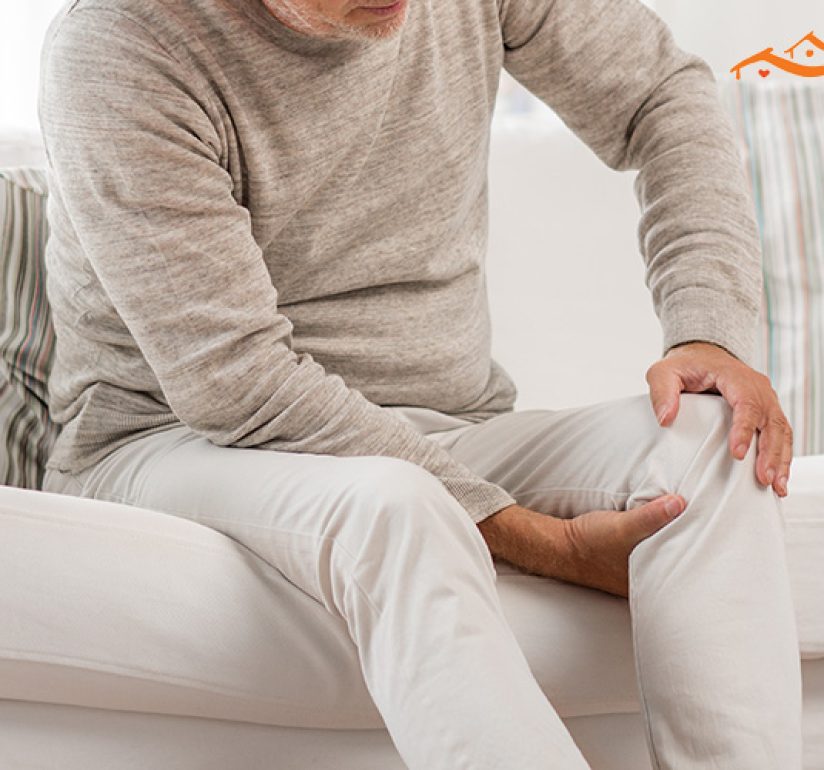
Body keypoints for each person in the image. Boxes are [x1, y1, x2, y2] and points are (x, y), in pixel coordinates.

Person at [37, 0, 801, 767]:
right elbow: (239, 383)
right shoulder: (120, 42)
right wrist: (548, 543)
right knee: (397, 504)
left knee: (716, 438)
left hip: (453, 423)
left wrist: (708, 330)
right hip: (176, 442)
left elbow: (660, 92)